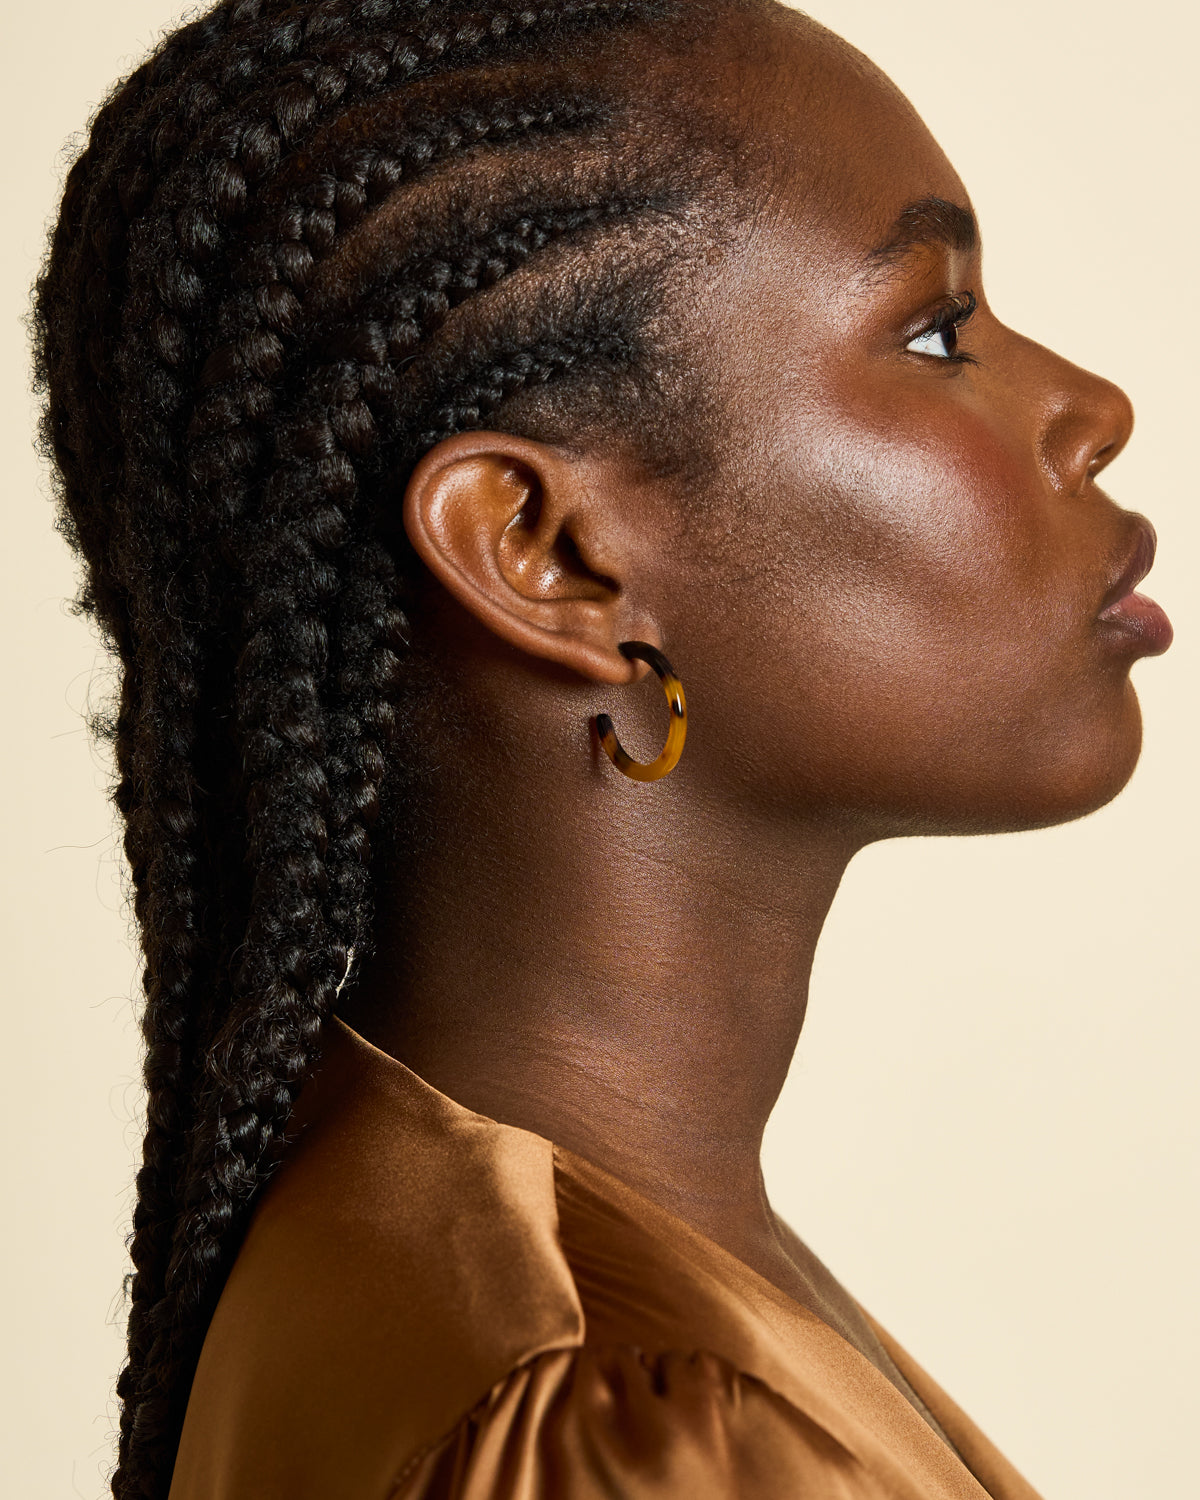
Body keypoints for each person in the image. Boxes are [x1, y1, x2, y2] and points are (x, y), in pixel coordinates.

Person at [32, 0, 1172, 1496]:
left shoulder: (444, 1260)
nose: (1094, 408)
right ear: (544, 550)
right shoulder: (620, 1423)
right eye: (936, 329)